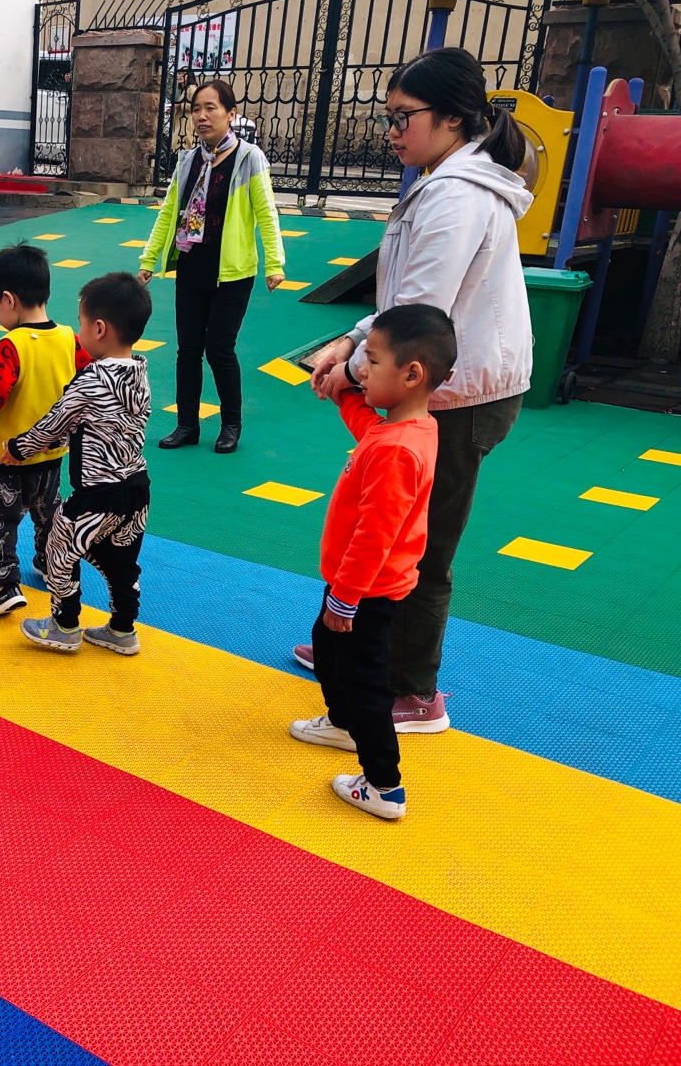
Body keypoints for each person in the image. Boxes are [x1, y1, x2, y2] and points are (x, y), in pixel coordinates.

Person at [301, 47, 533, 731]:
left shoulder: (458, 197)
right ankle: (360, 646)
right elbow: (402, 301)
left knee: (418, 548)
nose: (392, 131)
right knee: (387, 526)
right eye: (389, 117)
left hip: (459, 393)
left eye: (404, 117)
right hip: (442, 382)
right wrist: (350, 343)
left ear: (453, 118)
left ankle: (411, 691)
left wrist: (350, 368)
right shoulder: (444, 182)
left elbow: (421, 310)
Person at [290, 304, 456, 821]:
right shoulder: (409, 429)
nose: (361, 370)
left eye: (373, 361)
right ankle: (342, 724)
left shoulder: (397, 452)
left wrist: (346, 598)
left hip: (364, 590)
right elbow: (368, 426)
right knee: (327, 651)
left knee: (365, 684)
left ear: (411, 374)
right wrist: (341, 391)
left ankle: (384, 784)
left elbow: (375, 535)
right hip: (356, 585)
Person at [6, 272, 153, 656]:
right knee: (121, 561)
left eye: (82, 323)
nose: (79, 331)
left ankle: (64, 624)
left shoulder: (93, 379)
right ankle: (122, 629)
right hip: (137, 489)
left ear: (100, 328)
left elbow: (56, 422)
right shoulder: (140, 372)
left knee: (59, 544)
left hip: (98, 493)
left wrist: (17, 448)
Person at [139, 78, 285, 454]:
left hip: (232, 272)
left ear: (230, 114)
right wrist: (149, 259)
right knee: (188, 349)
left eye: (210, 108)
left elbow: (266, 213)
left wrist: (275, 263)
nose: (201, 116)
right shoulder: (189, 160)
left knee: (220, 348)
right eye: (195, 109)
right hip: (192, 266)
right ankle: (187, 425)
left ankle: (230, 424)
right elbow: (169, 212)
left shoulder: (249, 158)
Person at [0, 243, 89, 617]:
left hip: (9, 456)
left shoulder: (11, 345)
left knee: (0, 521)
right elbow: (86, 379)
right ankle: (49, 562)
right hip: (52, 452)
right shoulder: (69, 338)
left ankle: (6, 585)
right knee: (49, 513)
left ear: (8, 300)